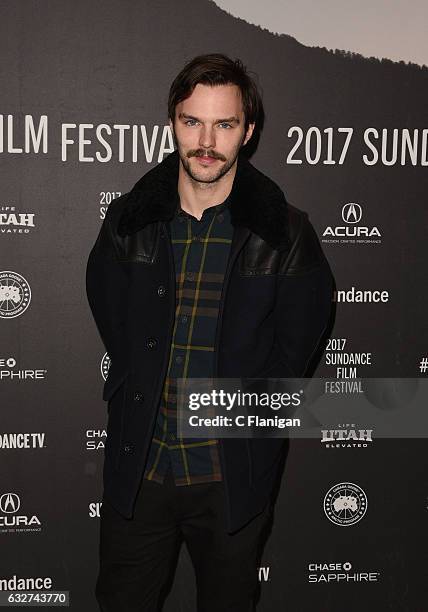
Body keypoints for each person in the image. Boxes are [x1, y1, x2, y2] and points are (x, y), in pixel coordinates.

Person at [86, 52, 334, 612]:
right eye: (193, 121)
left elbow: (295, 354)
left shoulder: (286, 233)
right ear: (173, 122)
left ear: (247, 132)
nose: (206, 140)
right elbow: (113, 323)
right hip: (141, 469)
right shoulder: (130, 222)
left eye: (224, 124)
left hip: (231, 479)